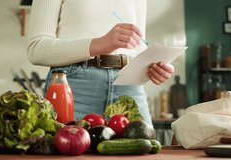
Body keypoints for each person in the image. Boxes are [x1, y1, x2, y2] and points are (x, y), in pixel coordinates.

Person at [26, 0, 174, 127]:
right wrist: (101, 44)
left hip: (129, 86)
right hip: (74, 87)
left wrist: (155, 67)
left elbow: (138, 46)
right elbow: (36, 48)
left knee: (146, 153)